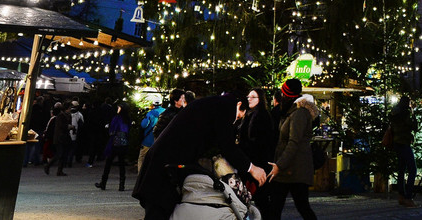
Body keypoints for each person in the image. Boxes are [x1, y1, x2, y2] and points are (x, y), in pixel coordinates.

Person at [132, 92, 268, 220]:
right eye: (238, 116)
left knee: (161, 209)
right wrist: (252, 168)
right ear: (239, 105)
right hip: (165, 167)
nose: (235, 121)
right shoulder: (224, 107)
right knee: (158, 209)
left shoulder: (213, 104)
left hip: (165, 163)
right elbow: (227, 146)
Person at [266, 78, 317, 220]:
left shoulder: (299, 113)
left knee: (300, 206)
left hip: (294, 170)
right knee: (277, 206)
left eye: (283, 93)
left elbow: (293, 142)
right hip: (288, 169)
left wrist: (279, 165)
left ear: (287, 95)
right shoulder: (291, 111)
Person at [236, 87, 278, 211]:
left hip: (258, 162)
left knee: (260, 198)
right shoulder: (249, 114)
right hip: (250, 161)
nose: (249, 99)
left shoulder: (262, 115)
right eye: (248, 96)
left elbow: (263, 141)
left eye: (253, 97)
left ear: (260, 99)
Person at [389, 95, 418, 208]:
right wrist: (413, 112)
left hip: (396, 142)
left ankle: (401, 195)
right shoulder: (406, 113)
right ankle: (408, 197)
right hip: (404, 142)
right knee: (412, 169)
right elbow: (413, 126)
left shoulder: (394, 112)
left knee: (401, 170)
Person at [96, 102, 131, 191]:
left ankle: (103, 183)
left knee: (108, 163)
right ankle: (121, 185)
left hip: (115, 142)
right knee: (122, 164)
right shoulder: (127, 119)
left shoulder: (117, 118)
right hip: (124, 143)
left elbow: (112, 130)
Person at [44, 102, 72, 176]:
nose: (70, 110)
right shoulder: (61, 116)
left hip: (63, 137)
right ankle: (48, 165)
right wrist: (69, 127)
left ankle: (59, 170)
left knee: (62, 155)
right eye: (69, 108)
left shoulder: (65, 115)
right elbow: (61, 126)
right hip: (60, 138)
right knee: (59, 154)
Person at [139, 100, 166, 173]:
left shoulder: (150, 113)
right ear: (161, 104)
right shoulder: (166, 112)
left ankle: (140, 176)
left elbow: (143, 125)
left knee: (142, 158)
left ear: (153, 104)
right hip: (160, 141)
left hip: (147, 141)